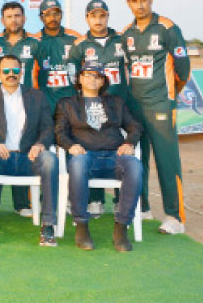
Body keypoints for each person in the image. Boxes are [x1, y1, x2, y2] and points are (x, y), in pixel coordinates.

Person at [122, 0, 191, 234]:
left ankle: (175, 217)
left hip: (161, 104)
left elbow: (183, 69)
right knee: (137, 160)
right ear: (128, 3)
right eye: (134, 0)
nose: (139, 5)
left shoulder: (167, 28)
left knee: (167, 161)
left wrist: (169, 95)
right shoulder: (126, 32)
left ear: (151, 0)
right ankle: (141, 208)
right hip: (135, 108)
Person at [55, 60, 143, 252]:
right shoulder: (67, 104)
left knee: (135, 166)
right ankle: (81, 225)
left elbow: (134, 126)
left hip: (114, 155)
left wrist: (129, 143)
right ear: (79, 78)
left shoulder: (116, 102)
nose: (92, 79)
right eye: (87, 75)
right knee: (77, 164)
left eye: (97, 76)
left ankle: (121, 227)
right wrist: (70, 146)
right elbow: (60, 132)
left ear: (102, 81)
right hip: (85, 155)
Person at [0, 55, 59, 246]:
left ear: (22, 73)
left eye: (15, 70)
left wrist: (40, 144)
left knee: (50, 160)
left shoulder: (37, 96)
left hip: (29, 157)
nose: (10, 74)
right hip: (1, 157)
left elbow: (48, 128)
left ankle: (48, 225)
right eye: (5, 71)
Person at [69, 0, 129, 216]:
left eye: (102, 15)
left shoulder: (122, 40)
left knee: (119, 147)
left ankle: (121, 200)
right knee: (93, 145)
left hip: (118, 105)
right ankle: (95, 200)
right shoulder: (80, 44)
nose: (98, 20)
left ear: (108, 16)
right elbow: (72, 76)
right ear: (87, 18)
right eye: (94, 16)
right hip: (91, 104)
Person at [0, 0, 40, 216]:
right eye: (9, 16)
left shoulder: (35, 43)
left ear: (24, 18)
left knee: (21, 144)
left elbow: (41, 74)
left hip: (26, 101)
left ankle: (22, 203)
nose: (13, 20)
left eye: (17, 15)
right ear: (2, 20)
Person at [35, 0, 82, 112]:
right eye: (48, 14)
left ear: (61, 15)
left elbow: (86, 69)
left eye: (56, 14)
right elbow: (32, 76)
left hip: (72, 105)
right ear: (41, 17)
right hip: (45, 106)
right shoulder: (35, 41)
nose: (52, 18)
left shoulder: (75, 38)